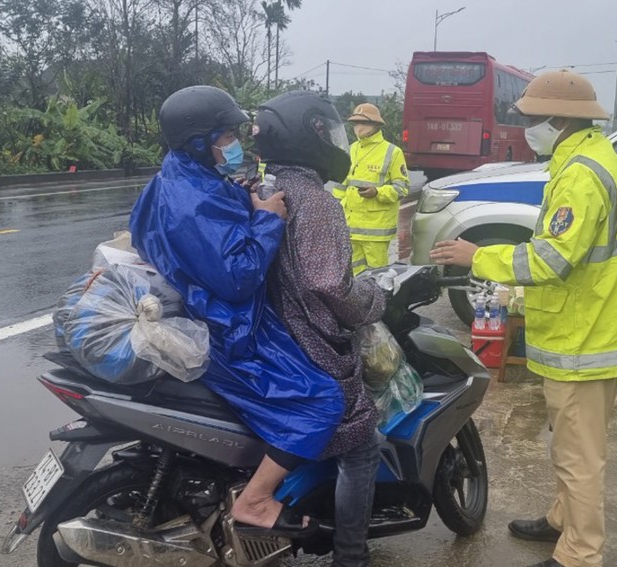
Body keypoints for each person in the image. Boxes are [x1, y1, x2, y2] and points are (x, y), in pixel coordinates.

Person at [430, 69, 617, 567]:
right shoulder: (594, 157)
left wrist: (477, 256)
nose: (526, 128)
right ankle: (561, 519)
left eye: (531, 119)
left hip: (585, 338)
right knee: (569, 442)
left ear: (560, 119)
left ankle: (580, 552)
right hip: (590, 325)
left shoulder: (580, 175)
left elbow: (552, 259)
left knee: (578, 454)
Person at [129, 85, 345, 537]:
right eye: (226, 136)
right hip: (229, 328)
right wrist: (268, 218)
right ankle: (256, 499)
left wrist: (237, 199)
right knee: (323, 403)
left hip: (200, 311)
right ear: (198, 141)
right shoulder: (192, 202)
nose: (235, 144)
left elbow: (144, 230)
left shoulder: (180, 176)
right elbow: (239, 277)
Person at [253, 90, 385, 567]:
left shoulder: (264, 189)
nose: (338, 142)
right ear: (307, 135)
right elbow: (331, 285)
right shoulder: (316, 201)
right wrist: (373, 298)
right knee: (361, 444)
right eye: (329, 132)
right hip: (310, 342)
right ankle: (350, 555)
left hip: (270, 338)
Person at [332, 103, 411, 275]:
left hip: (376, 231)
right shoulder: (351, 150)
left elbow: (402, 188)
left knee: (377, 276)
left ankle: (379, 303)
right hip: (351, 228)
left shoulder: (392, 152)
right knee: (354, 275)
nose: (358, 127)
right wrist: (334, 212)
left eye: (363, 123)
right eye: (356, 123)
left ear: (376, 125)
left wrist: (377, 193)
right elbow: (340, 186)